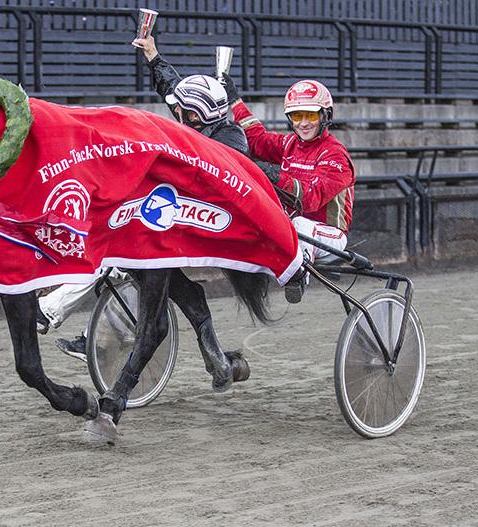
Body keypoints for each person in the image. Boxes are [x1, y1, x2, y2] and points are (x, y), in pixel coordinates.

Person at [41, 34, 251, 361]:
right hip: (170, 212)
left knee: (120, 254)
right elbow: (174, 89)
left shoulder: (231, 141)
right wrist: (153, 55)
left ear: (207, 116)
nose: (180, 120)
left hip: (201, 222)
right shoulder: (196, 121)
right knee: (123, 256)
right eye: (180, 113)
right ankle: (91, 336)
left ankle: (57, 315)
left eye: (189, 116)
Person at [222, 74, 356, 303]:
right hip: (294, 230)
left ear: (326, 115)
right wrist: (235, 101)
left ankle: (298, 275)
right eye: (296, 115)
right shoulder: (289, 144)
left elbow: (311, 199)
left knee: (299, 224)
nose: (303, 123)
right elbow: (257, 139)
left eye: (311, 115)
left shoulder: (336, 156)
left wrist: (273, 174)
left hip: (329, 234)